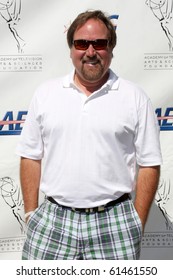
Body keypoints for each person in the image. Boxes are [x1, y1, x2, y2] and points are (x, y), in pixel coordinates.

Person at [16, 10, 162, 260]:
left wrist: (136, 221)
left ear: (111, 48)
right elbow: (30, 156)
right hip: (53, 220)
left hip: (114, 221)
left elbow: (149, 163)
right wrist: (30, 213)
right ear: (71, 48)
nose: (91, 52)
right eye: (82, 43)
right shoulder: (46, 93)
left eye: (100, 43)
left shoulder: (134, 97)